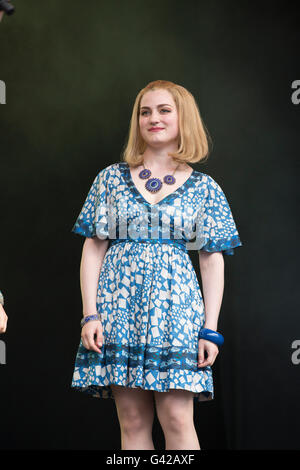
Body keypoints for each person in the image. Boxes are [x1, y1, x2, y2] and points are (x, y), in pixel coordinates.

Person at [71, 80, 243, 450]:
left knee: (178, 420)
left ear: (184, 118)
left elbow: (211, 260)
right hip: (118, 308)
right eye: (145, 111)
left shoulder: (204, 188)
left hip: (176, 312)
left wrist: (210, 329)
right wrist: (90, 315)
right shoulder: (110, 179)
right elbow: (93, 248)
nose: (153, 118)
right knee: (132, 421)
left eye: (164, 110)